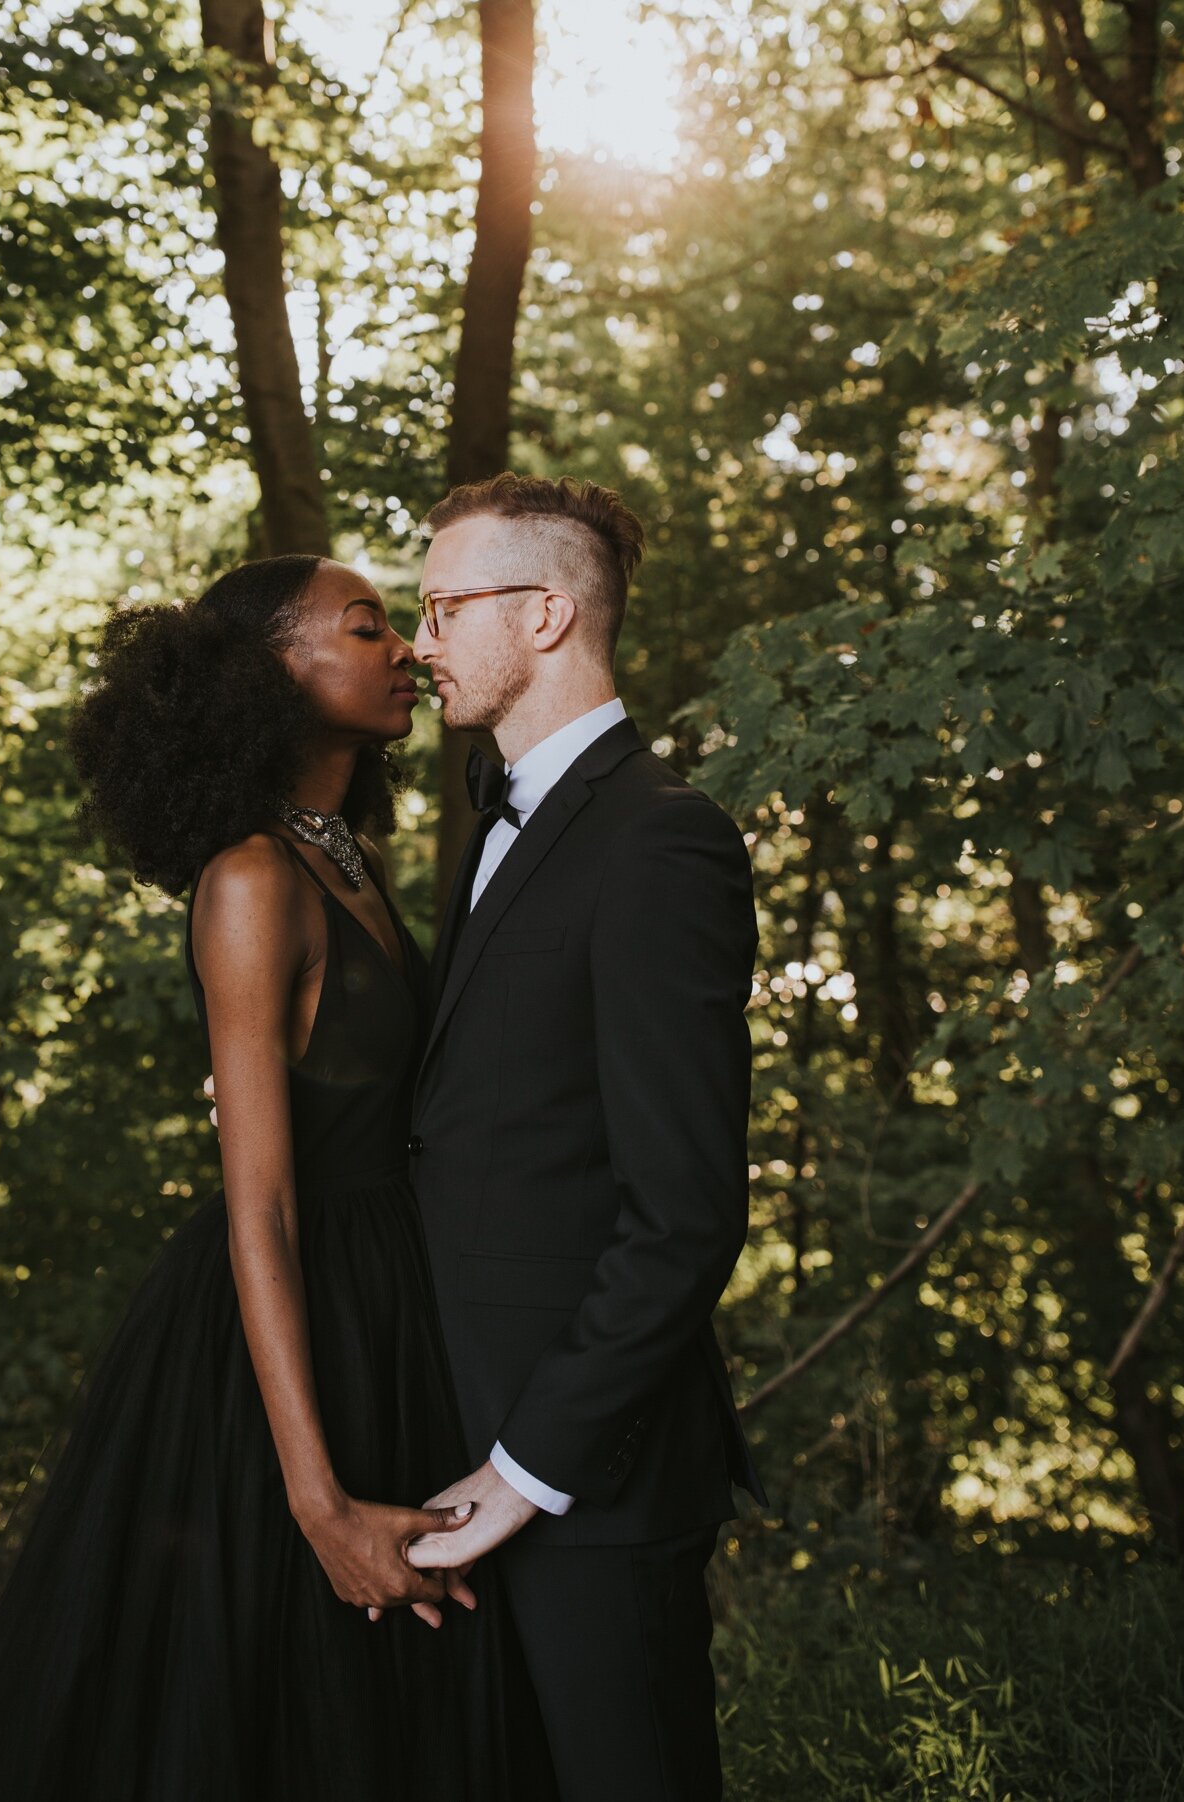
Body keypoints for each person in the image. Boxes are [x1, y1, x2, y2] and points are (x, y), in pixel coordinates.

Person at [0, 553, 556, 1802]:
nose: (405, 649)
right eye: (366, 628)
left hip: (390, 1307)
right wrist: (317, 1503)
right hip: (285, 1335)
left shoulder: (346, 859)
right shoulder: (251, 880)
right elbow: (260, 1198)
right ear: (268, 678)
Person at [402, 472, 766, 1802]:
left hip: (586, 1469)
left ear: (548, 611)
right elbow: (492, 1112)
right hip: (455, 1424)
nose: (422, 642)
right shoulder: (495, 821)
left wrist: (527, 1467)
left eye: (445, 608)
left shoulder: (661, 841)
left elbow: (684, 1211)